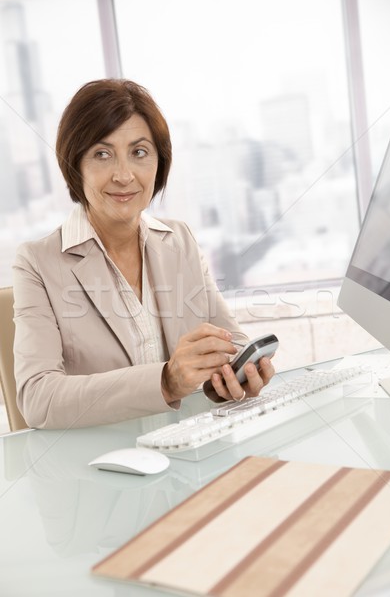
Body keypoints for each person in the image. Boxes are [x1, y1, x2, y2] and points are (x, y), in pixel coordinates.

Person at [13, 78, 275, 429]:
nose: (124, 175)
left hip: (184, 449)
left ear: (158, 162)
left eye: (139, 152)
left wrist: (234, 376)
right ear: (75, 164)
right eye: (102, 154)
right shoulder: (37, 262)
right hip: (97, 464)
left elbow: (231, 340)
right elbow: (38, 399)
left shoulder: (178, 240)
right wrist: (165, 382)